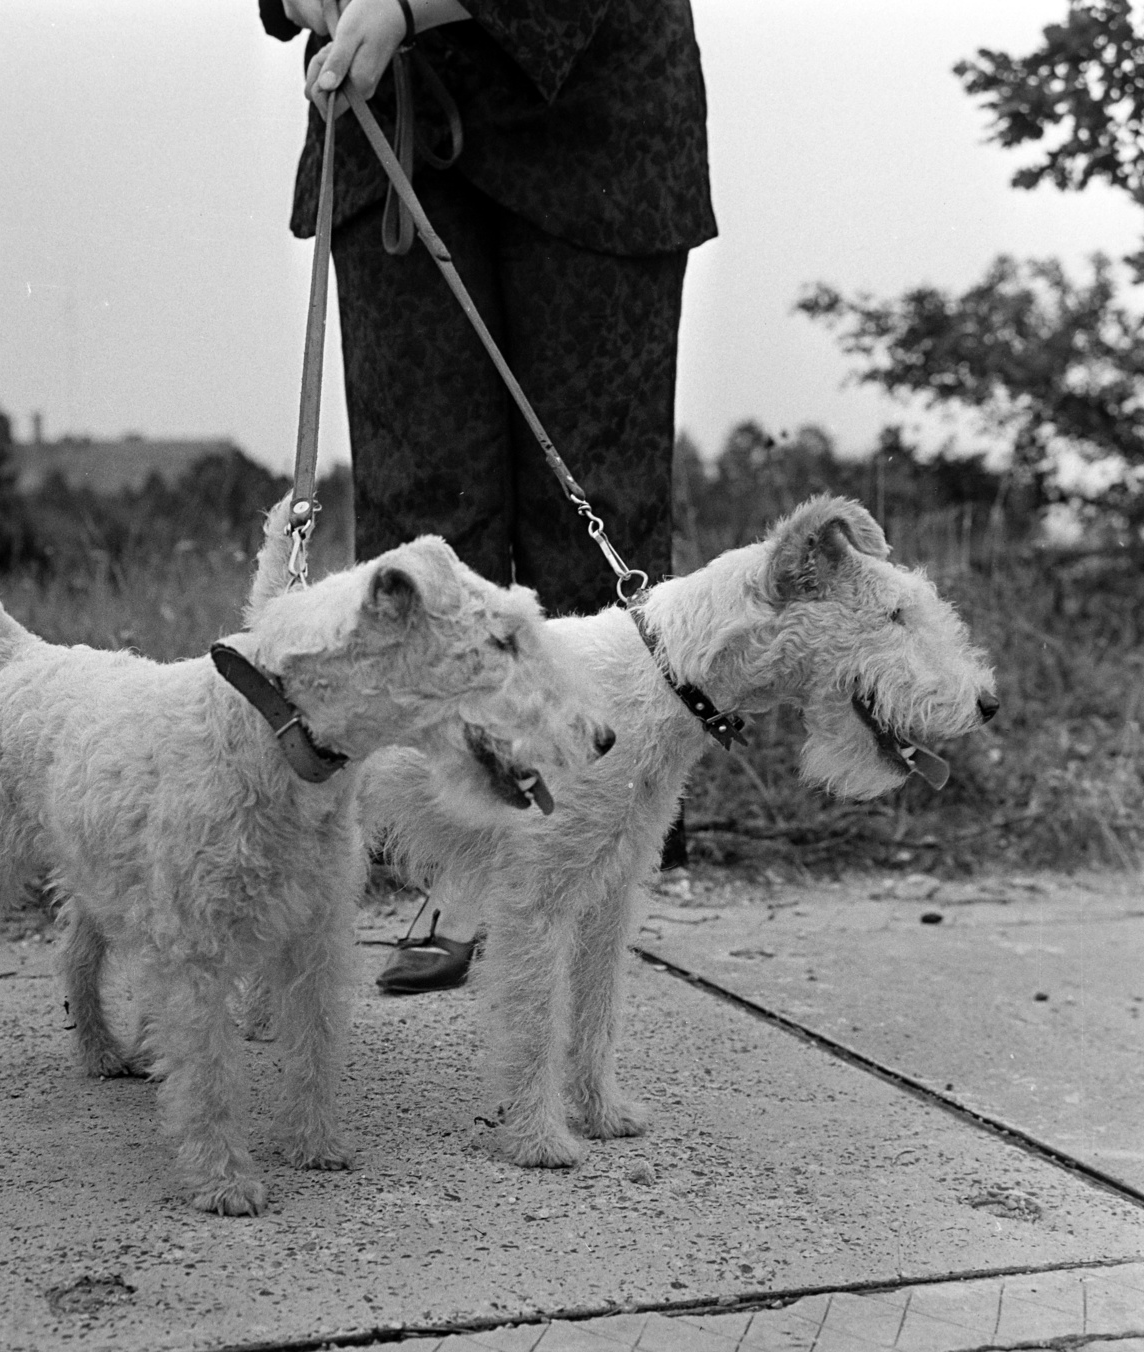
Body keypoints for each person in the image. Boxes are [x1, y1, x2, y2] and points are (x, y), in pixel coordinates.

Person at [259, 0, 715, 989]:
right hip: (394, 120)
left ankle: (593, 847)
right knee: (419, 527)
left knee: (589, 501)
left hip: (595, 127)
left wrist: (410, 5)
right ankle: (451, 857)